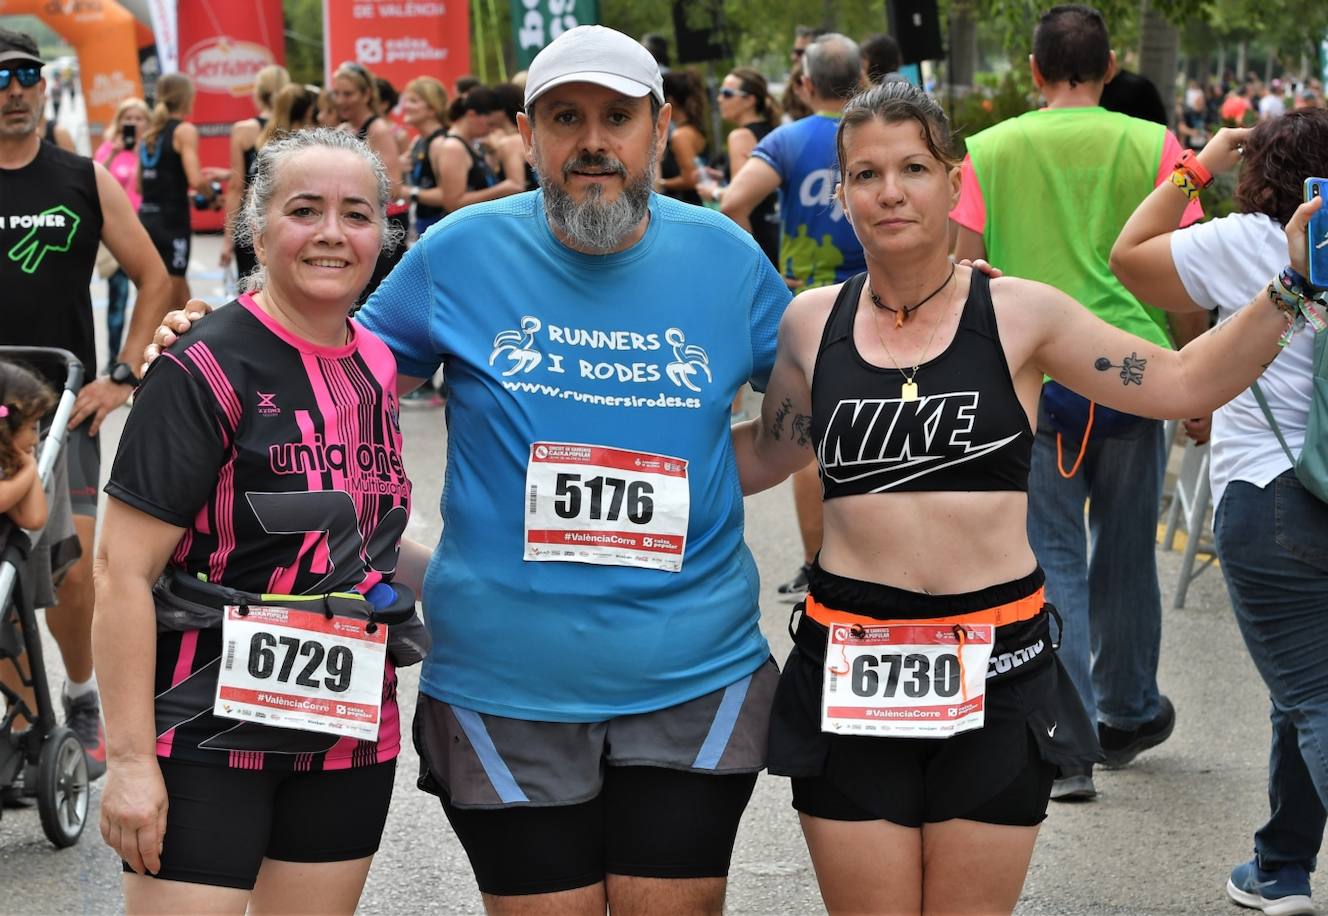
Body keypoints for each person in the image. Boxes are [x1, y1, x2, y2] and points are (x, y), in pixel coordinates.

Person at [147, 24, 793, 914]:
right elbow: (327, 379)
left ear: (658, 124)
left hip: (692, 666)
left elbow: (811, 396)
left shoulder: (725, 256)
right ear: (527, 134)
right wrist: (213, 341)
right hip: (502, 677)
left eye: (618, 116)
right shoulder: (459, 252)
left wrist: (948, 303)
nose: (593, 141)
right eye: (566, 117)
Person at [732, 77, 1328, 916]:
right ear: (842, 191)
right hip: (851, 663)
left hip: (995, 666)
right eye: (865, 174)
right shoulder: (810, 324)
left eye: (914, 168)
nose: (890, 192)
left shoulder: (1021, 314)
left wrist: (1288, 289)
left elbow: (1180, 382)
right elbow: (765, 457)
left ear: (955, 180)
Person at [94, 128, 430, 913]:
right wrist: (132, 762)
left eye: (356, 214)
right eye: (303, 210)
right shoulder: (199, 367)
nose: (330, 234)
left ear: (383, 232)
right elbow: (120, 573)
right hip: (204, 730)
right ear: (254, 226)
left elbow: (353, 540)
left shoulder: (374, 362)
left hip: (346, 731)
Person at [1111, 108, 1328, 916]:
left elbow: (1129, 260)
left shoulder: (1248, 240)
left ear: (1263, 174)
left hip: (1274, 500)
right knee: (1311, 689)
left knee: (1321, 697)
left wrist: (1197, 167)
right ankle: (1282, 864)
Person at [951, 3, 1207, 802]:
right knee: (1128, 553)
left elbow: (964, 268)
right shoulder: (1155, 145)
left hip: (1037, 379)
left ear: (1032, 69)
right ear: (1109, 66)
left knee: (1049, 553)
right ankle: (1130, 707)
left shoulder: (988, 151)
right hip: (1133, 373)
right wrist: (1195, 373)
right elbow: (1184, 269)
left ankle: (1067, 739)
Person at [0, 26, 172, 779]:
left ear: (44, 86)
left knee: (70, 567)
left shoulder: (81, 178)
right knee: (3, 575)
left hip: (62, 403)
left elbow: (156, 276)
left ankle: (78, 696)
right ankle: (24, 720)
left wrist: (124, 374)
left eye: (25, 76)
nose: (12, 92)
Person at [723, 33, 868, 603]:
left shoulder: (785, 140)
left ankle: (819, 568)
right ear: (862, 80)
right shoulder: (872, 132)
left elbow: (733, 203)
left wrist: (760, 272)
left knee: (813, 436)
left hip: (806, 302)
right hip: (879, 296)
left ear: (804, 84)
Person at [139, 73, 220, 313]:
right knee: (173, 296)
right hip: (172, 221)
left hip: (147, 218)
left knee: (168, 291)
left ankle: (190, 343)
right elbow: (195, 179)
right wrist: (212, 196)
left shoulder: (149, 134)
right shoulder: (183, 130)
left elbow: (140, 186)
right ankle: (174, 347)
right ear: (186, 98)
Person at [332, 61, 406, 301]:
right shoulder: (344, 128)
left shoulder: (378, 129)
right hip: (353, 223)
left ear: (366, 94)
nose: (341, 100)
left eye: (348, 94)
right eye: (337, 93)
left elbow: (393, 185)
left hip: (381, 229)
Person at [696, 68, 781, 266]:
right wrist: (722, 174)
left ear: (749, 100)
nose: (719, 99)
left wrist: (713, 191)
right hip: (778, 230)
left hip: (755, 233)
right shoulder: (775, 132)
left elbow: (736, 202)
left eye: (727, 94)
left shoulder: (740, 137)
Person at [95, 97, 151, 366]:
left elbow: (144, 188)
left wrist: (142, 153)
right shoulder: (109, 148)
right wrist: (115, 152)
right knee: (117, 300)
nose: (133, 123)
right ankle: (113, 360)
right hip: (116, 234)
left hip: (145, 228)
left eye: (139, 118)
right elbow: (93, 180)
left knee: (150, 297)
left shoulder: (150, 150)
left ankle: (143, 359)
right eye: (128, 118)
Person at [222, 65, 290, 280]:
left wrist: (227, 239)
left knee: (249, 291)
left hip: (253, 221)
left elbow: (236, 187)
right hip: (288, 218)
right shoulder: (298, 128)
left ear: (258, 96)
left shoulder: (243, 130)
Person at [0, 360, 55, 532]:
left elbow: (34, 519)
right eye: (32, 428)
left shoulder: (8, 464)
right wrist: (29, 470)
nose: (35, 440)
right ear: (7, 426)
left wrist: (27, 467)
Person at [397, 76, 453, 237]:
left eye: (413, 101)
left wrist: (409, 192)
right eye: (406, 101)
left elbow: (448, 196)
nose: (405, 107)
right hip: (422, 225)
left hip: (442, 227)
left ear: (432, 108)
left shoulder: (441, 143)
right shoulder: (417, 141)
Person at [658, 70, 709, 205]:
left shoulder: (681, 135)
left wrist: (660, 183)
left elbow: (691, 179)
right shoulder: (692, 128)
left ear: (670, 100)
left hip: (687, 204)